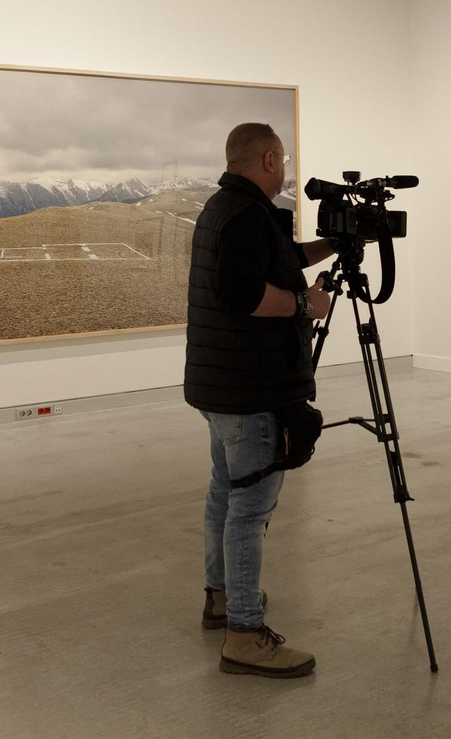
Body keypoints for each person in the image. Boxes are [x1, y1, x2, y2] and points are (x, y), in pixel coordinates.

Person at [184, 122, 335, 679]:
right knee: (250, 509)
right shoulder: (247, 214)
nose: (287, 168)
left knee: (225, 494)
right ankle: (244, 634)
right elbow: (244, 292)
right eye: (284, 160)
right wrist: (304, 305)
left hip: (219, 385)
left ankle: (222, 597)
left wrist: (329, 247)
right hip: (250, 389)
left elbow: (275, 259)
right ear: (270, 159)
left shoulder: (226, 207)